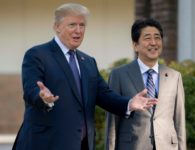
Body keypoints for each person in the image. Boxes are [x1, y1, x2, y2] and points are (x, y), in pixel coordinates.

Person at [12, 3, 157, 150]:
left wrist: (129, 104)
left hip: (82, 144)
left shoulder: (88, 62)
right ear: (57, 27)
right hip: (45, 143)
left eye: (82, 25)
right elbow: (31, 90)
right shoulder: (37, 55)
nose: (78, 30)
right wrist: (42, 97)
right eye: (72, 25)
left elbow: (104, 94)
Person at [105, 18, 186, 150]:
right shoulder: (119, 75)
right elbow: (112, 123)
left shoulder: (174, 77)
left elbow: (179, 121)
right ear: (135, 45)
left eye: (157, 37)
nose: (153, 42)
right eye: (147, 38)